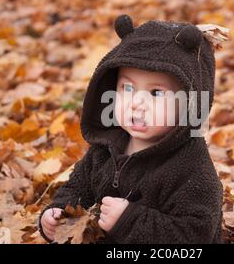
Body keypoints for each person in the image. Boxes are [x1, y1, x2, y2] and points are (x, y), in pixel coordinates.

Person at [39, 14, 223, 244]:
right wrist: (58, 214)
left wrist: (130, 221)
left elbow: (195, 235)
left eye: (156, 93)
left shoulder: (191, 169)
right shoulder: (105, 148)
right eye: (127, 88)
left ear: (191, 103)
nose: (136, 102)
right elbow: (78, 188)